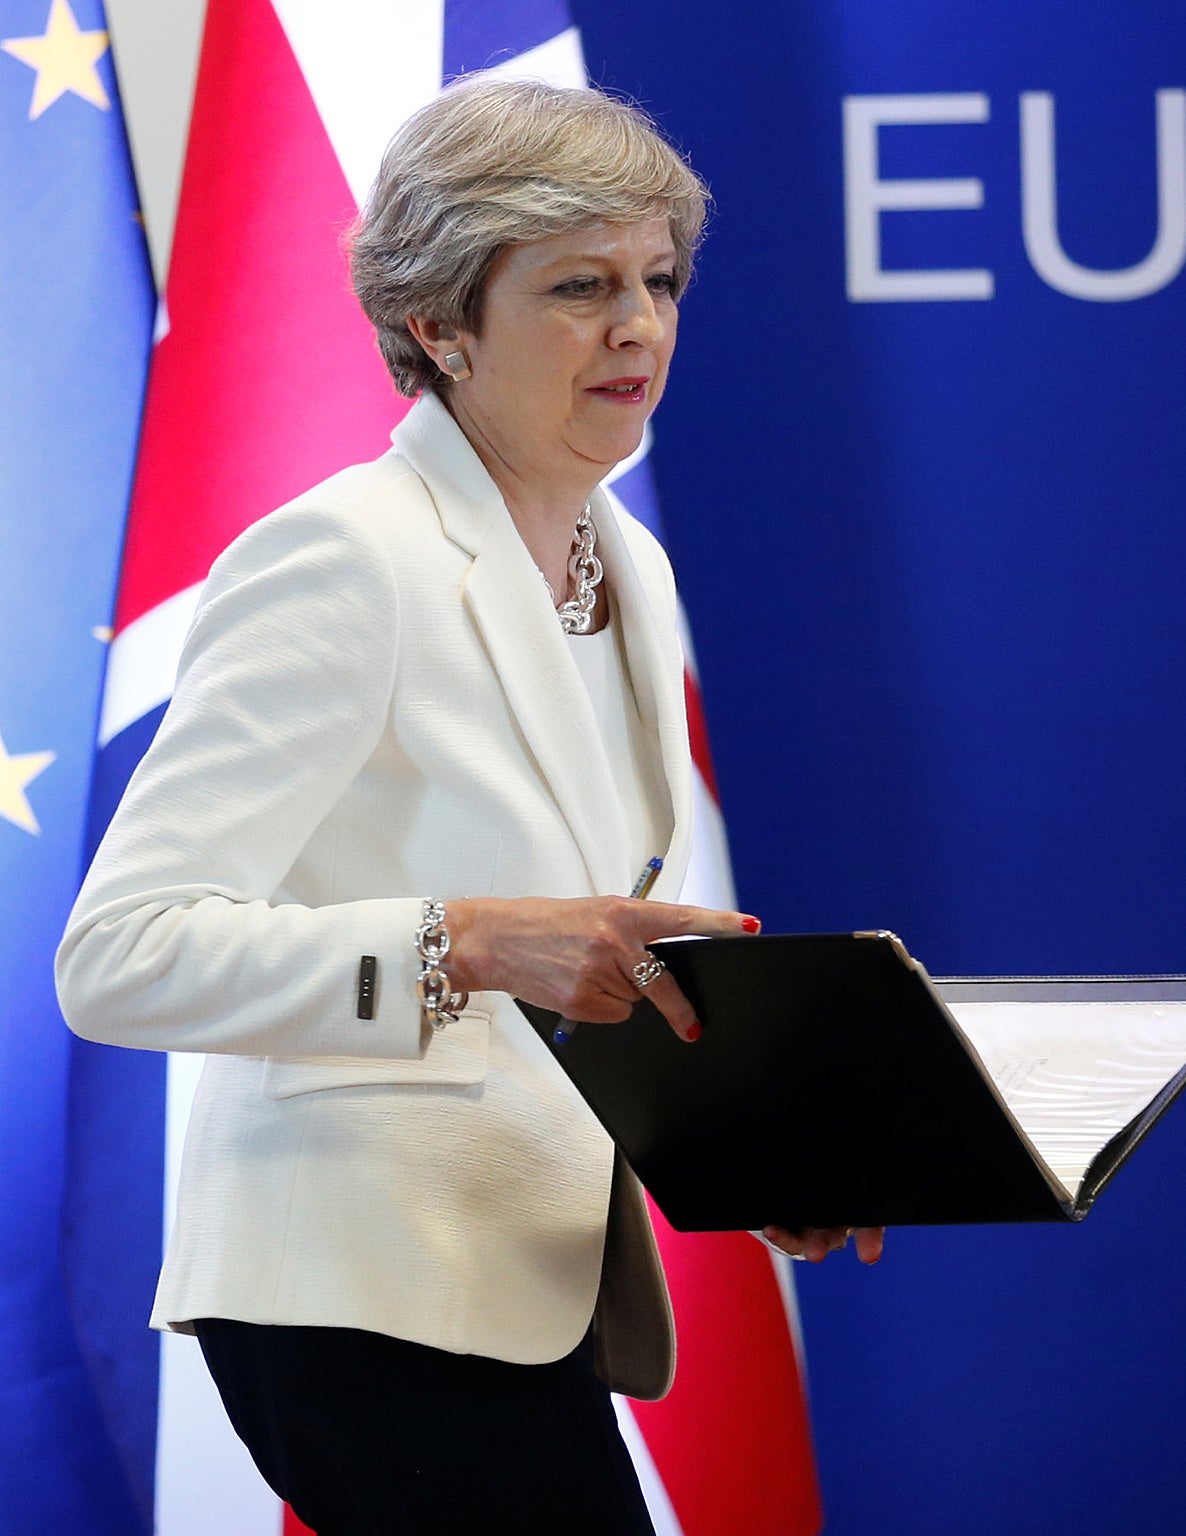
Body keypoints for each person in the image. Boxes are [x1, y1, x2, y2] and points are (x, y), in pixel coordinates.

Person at [56, 78, 877, 1534]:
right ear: (439, 326)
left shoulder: (632, 568)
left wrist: (756, 1155)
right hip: (357, 1294)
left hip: (521, 1281)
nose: (638, 326)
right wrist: (471, 942)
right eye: (579, 286)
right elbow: (122, 955)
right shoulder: (344, 560)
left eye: (657, 281)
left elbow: (592, 974)